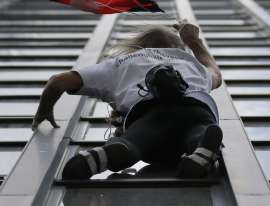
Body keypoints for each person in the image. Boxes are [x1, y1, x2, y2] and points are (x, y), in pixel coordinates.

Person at [31, 20, 223, 179]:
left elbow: (58, 82)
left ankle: (108, 154)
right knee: (199, 130)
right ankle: (201, 149)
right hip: (195, 108)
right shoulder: (190, 63)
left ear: (138, 45)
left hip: (150, 113)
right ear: (178, 47)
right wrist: (194, 41)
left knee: (134, 142)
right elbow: (216, 75)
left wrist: (44, 111)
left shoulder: (120, 64)